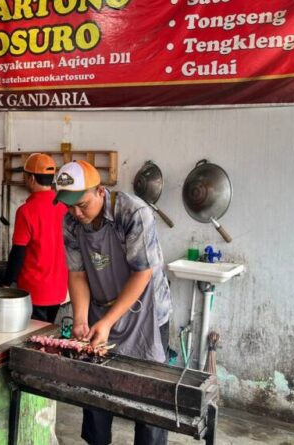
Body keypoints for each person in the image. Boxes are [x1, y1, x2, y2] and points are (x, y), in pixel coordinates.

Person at [55, 160, 171, 445]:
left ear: (100, 191)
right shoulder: (71, 223)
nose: (76, 213)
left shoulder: (133, 212)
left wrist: (107, 322)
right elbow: (77, 274)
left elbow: (142, 273)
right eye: (69, 206)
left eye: (82, 204)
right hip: (101, 310)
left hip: (145, 314)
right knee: (95, 389)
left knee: (149, 399)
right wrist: (81, 319)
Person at [1, 153, 68, 322]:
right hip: (59, 289)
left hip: (34, 291)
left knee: (33, 334)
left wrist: (6, 283)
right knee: (48, 333)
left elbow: (18, 252)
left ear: (31, 178)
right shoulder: (65, 207)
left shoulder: (26, 211)